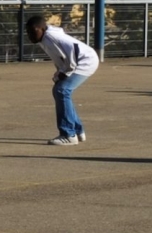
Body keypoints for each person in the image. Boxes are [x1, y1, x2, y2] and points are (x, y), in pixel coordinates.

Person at [26, 15, 99, 146]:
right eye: (28, 32)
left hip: (85, 61)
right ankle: (77, 131)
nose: (30, 35)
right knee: (60, 90)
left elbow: (73, 52)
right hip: (80, 61)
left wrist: (65, 73)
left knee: (61, 90)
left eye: (33, 31)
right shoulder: (45, 38)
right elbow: (60, 57)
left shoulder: (51, 37)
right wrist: (59, 73)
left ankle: (68, 135)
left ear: (42, 29)